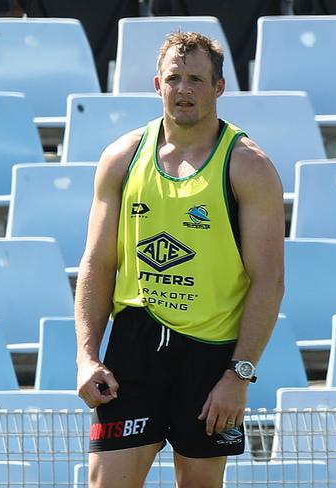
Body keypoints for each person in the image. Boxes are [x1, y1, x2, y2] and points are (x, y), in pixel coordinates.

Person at [75, 31, 285, 488]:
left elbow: (268, 281)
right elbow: (96, 264)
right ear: (157, 84)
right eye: (174, 78)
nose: (184, 89)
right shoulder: (121, 158)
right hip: (134, 347)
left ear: (218, 87)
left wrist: (239, 375)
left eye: (196, 79)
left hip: (210, 359)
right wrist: (87, 357)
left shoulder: (248, 166)